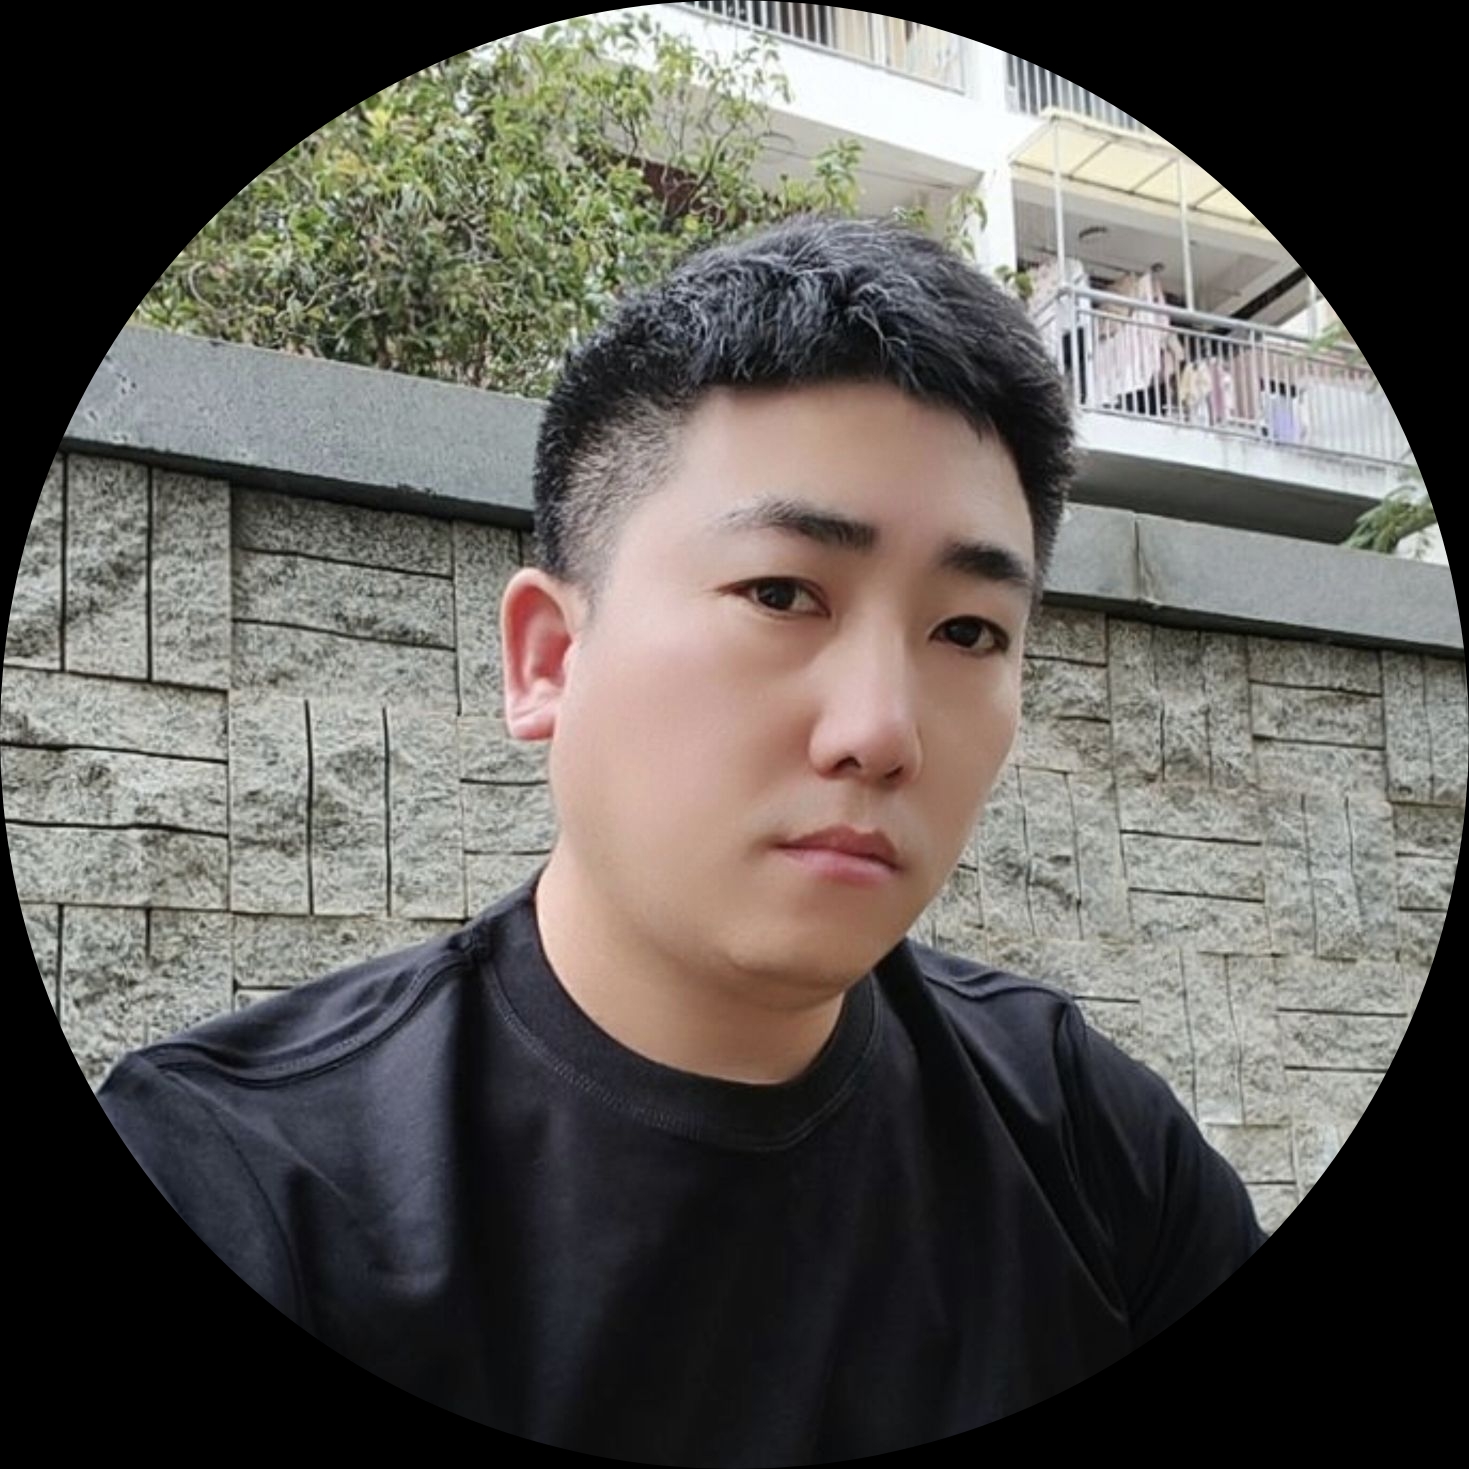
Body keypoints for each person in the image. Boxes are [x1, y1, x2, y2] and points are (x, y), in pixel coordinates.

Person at [97, 215, 1266, 1462]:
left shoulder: (1090, 1144)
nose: (880, 731)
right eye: (780, 592)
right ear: (549, 660)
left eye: (968, 631)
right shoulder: (239, 1182)